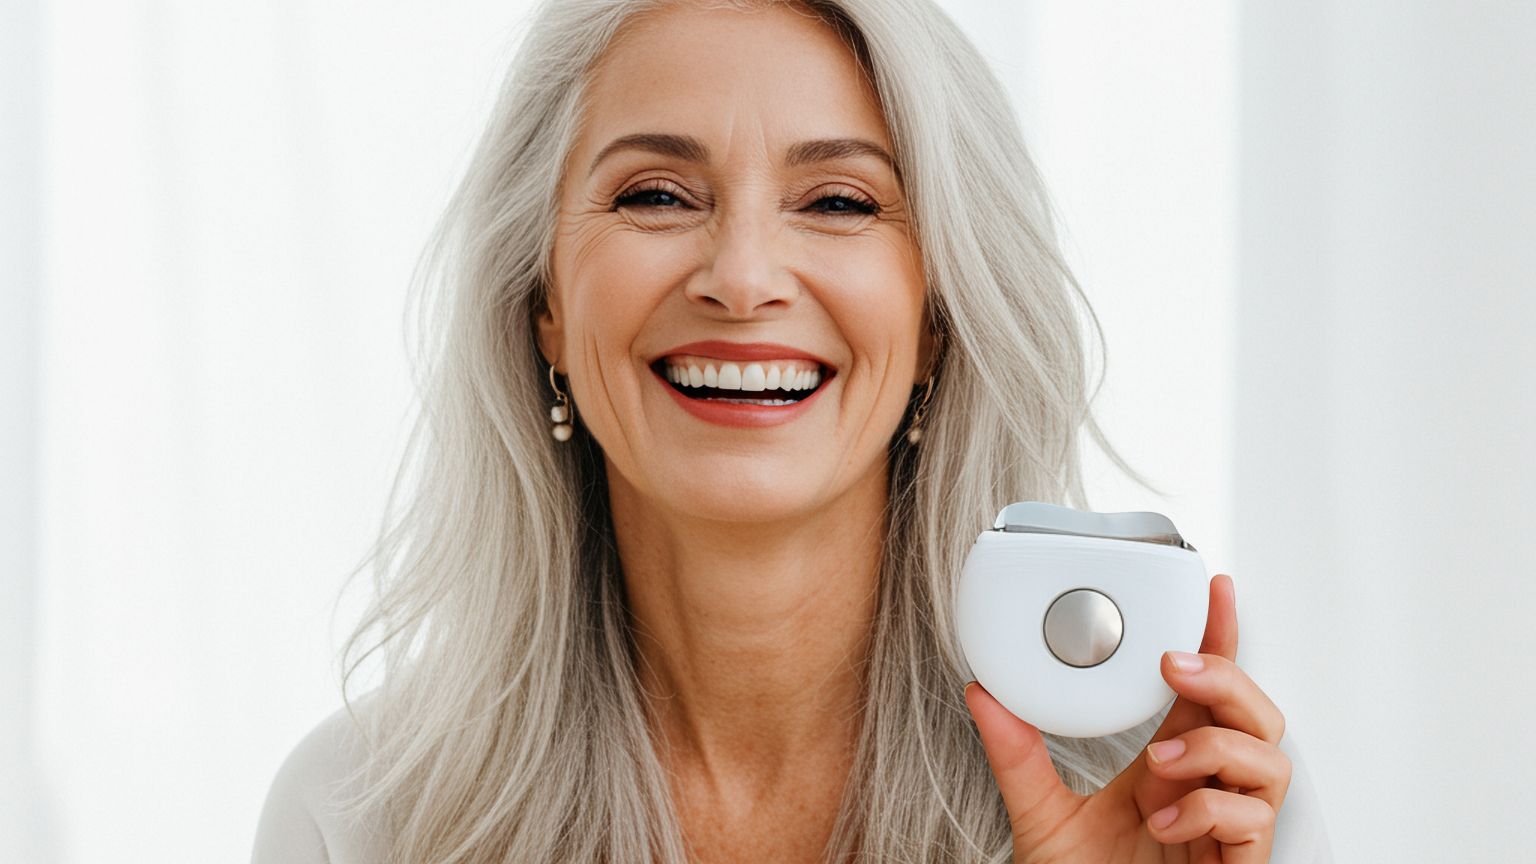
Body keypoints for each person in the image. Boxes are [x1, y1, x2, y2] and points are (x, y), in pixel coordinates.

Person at [252, 0, 1334, 861]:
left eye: (840, 203)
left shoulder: (1183, 798)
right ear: (543, 303)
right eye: (658, 195)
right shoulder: (360, 818)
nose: (743, 278)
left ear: (939, 318)